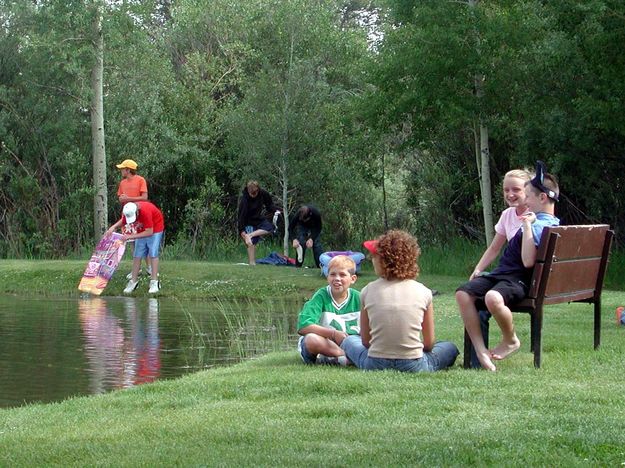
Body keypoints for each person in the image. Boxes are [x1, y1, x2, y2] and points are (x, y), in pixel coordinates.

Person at [456, 161, 560, 371]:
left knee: (491, 297)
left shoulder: (540, 224)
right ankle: (480, 350)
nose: (525, 201)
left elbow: (528, 261)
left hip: (518, 279)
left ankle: (511, 340)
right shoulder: (538, 220)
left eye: (527, 196)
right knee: (462, 293)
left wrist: (527, 226)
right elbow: (496, 249)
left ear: (541, 197)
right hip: (503, 275)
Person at [341, 230, 459, 372]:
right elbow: (429, 344)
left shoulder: (367, 291)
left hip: (375, 363)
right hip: (414, 364)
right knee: (449, 347)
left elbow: (366, 341)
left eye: (374, 256)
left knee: (350, 341)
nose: (371, 260)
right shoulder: (424, 292)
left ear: (383, 261)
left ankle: (341, 358)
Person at [468, 169, 531, 368]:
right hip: (508, 276)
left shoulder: (534, 217)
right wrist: (478, 269)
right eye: (506, 190)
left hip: (522, 279)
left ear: (527, 191)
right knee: (468, 292)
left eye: (516, 190)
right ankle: (478, 357)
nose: (510, 194)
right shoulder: (507, 215)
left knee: (484, 300)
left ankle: (503, 344)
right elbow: (494, 247)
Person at [297, 255, 361, 366]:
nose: (337, 278)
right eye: (332, 274)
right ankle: (345, 357)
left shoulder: (360, 298)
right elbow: (303, 326)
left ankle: (343, 358)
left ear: (353, 279)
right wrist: (333, 334)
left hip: (351, 343)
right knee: (311, 339)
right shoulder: (320, 296)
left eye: (342, 275)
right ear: (327, 277)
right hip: (326, 344)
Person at [106, 201, 165, 294]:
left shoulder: (146, 212)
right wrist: (113, 227)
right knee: (137, 254)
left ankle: (154, 282)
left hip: (155, 228)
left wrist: (130, 236)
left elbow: (149, 232)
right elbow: (124, 220)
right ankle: (133, 281)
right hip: (142, 228)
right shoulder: (128, 210)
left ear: (137, 212)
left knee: (153, 252)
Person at [115, 158, 150, 278]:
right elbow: (121, 198)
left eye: (122, 169)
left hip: (139, 213)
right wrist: (123, 199)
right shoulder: (122, 183)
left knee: (142, 241)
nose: (121, 171)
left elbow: (144, 197)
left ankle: (150, 267)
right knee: (132, 242)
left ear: (128, 170)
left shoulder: (140, 180)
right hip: (127, 216)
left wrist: (128, 198)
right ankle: (137, 269)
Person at [237, 180, 281, 265]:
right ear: (248, 191)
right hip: (248, 221)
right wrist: (242, 232)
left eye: (255, 193)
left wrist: (278, 210)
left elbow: (269, 206)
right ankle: (252, 263)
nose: (253, 196)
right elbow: (240, 218)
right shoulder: (244, 200)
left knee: (270, 228)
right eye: (251, 194)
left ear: (258, 190)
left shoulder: (263, 193)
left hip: (258, 219)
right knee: (251, 242)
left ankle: (250, 235)